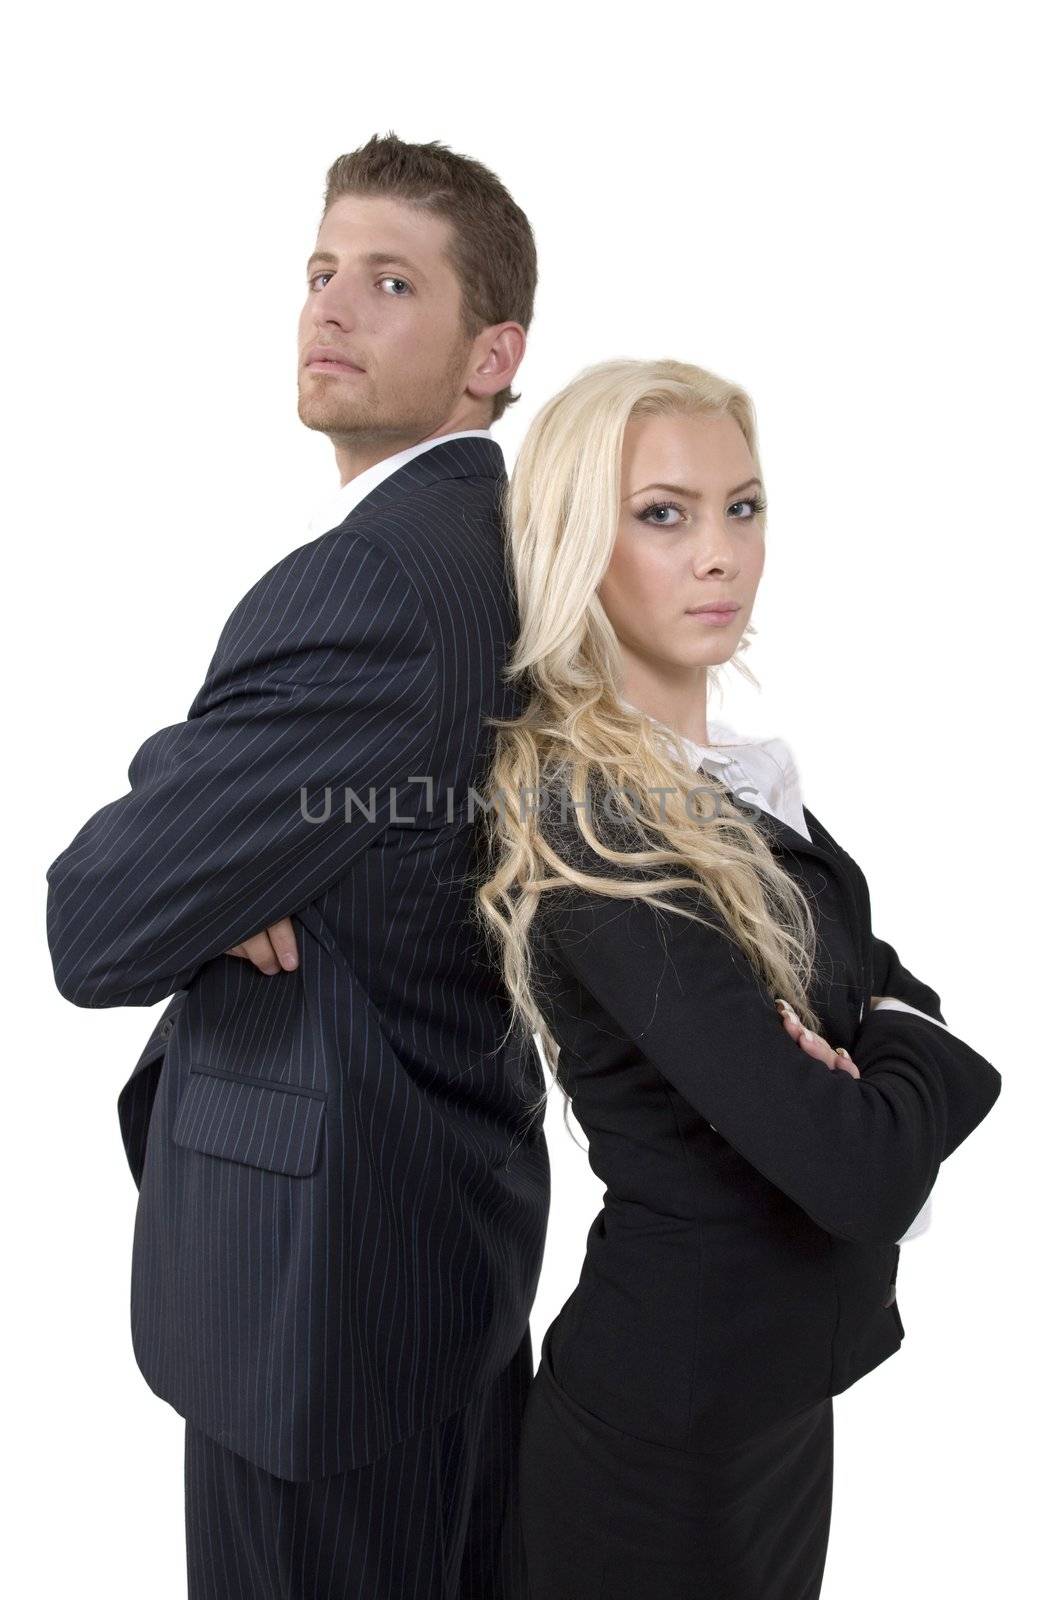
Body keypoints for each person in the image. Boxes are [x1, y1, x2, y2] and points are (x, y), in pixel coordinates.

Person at [45, 133, 549, 1600]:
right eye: (320, 272)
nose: (329, 308)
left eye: (390, 282)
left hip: (323, 1313)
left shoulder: (373, 577)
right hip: (434, 1255)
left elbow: (96, 920)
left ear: (486, 353)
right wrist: (224, 832)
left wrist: (214, 853)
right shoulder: (498, 546)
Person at [475, 357, 1002, 1599]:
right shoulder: (595, 829)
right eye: (663, 513)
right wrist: (896, 1038)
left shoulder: (728, 793)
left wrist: (880, 1035)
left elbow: (899, 1003)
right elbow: (859, 1166)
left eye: (742, 506)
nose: (719, 552)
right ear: (575, 545)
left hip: (773, 1414)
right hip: (658, 1449)